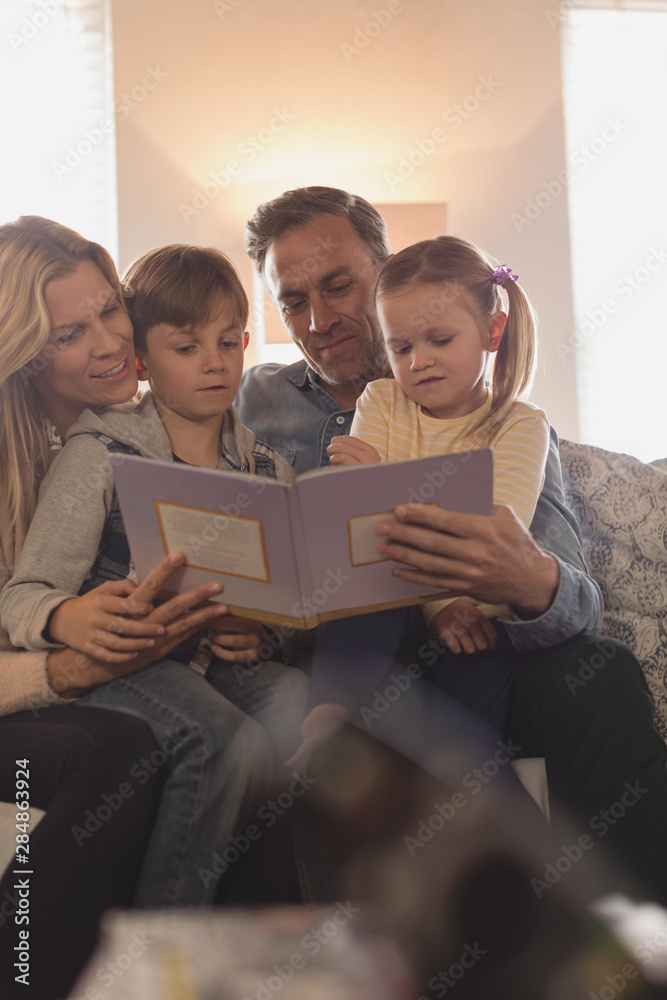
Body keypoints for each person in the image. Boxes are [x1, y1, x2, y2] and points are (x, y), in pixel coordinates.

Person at [236, 186, 667, 904]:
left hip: (477, 624)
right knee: (303, 697)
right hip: (332, 634)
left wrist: (527, 585)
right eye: (292, 300)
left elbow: (565, 587)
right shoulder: (249, 401)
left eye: (338, 285)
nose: (318, 318)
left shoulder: (513, 424)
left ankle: (629, 927)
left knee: (598, 672)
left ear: (384, 271)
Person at [0, 242, 308, 910]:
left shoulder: (265, 470)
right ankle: (161, 950)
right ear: (148, 356)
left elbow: (290, 613)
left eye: (229, 343)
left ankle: (292, 947)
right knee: (221, 739)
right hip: (127, 666)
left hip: (213, 661)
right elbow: (25, 593)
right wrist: (66, 619)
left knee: (308, 716)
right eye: (187, 347)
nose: (215, 364)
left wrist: (260, 633)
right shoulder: (99, 450)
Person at [0, 216, 235, 999]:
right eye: (72, 331)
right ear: (22, 351)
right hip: (26, 698)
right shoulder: (60, 462)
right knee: (122, 750)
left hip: (98, 677)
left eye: (110, 309)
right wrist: (64, 663)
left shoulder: (153, 437)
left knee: (261, 741)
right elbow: (38, 611)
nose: (109, 342)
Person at [299, 235, 550, 754]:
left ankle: (463, 789)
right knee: (366, 600)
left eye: (439, 339)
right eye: (402, 347)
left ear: (492, 331)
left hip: (474, 613)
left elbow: (492, 531)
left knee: (468, 726)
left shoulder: (519, 425)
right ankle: (327, 724)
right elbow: (362, 529)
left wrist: (381, 479)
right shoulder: (383, 399)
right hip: (390, 597)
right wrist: (433, 602)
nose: (419, 362)